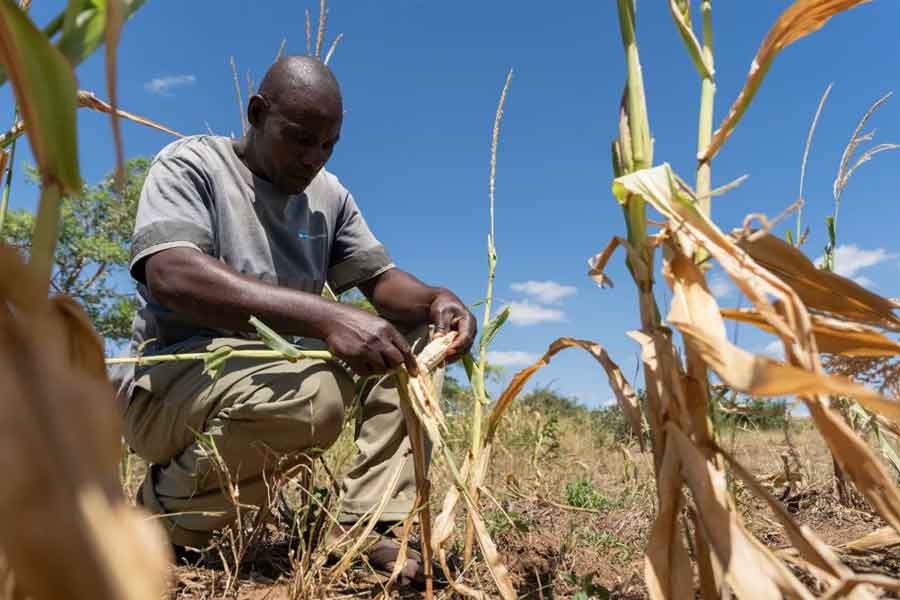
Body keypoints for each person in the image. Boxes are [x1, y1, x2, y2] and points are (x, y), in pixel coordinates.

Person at [113, 55, 476, 582]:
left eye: (328, 145)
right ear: (257, 113)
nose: (314, 158)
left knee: (418, 336)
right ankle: (161, 525)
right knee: (316, 394)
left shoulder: (329, 196)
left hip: (278, 381)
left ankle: (368, 526)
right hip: (169, 388)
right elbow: (172, 273)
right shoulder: (192, 165)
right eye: (300, 138)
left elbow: (383, 283)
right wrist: (327, 316)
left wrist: (436, 298)